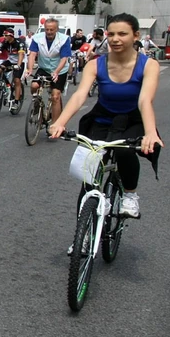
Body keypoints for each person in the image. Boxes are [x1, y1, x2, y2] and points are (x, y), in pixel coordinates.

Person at [49, 13, 163, 223]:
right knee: (88, 177)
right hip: (102, 117)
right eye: (111, 34)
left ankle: (130, 195)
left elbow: (144, 101)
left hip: (132, 119)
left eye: (122, 34)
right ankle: (82, 236)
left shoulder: (149, 65)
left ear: (136, 35)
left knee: (123, 150)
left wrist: (150, 134)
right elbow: (79, 95)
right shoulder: (95, 64)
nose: (115, 39)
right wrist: (60, 122)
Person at [25, 17, 71, 125]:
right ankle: (36, 104)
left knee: (55, 96)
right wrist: (30, 69)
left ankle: (55, 125)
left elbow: (64, 59)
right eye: (47, 29)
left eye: (52, 30)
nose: (49, 32)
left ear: (57, 29)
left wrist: (56, 71)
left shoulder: (64, 39)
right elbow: (32, 54)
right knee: (34, 85)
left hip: (59, 70)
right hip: (44, 68)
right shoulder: (37, 38)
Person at [0, 29, 26, 109]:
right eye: (4, 35)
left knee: (17, 80)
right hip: (10, 61)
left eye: (6, 36)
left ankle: (16, 102)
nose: (4, 37)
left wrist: (18, 65)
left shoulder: (19, 42)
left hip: (20, 62)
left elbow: (21, 54)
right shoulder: (4, 42)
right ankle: (6, 85)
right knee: (0, 69)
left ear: (11, 36)